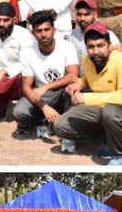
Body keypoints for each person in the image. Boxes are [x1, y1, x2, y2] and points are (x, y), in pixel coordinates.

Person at [54, 22, 122, 165]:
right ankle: (108, 142)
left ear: (110, 46)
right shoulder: (87, 60)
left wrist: (85, 97)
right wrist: (80, 82)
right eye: (91, 47)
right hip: (102, 108)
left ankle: (120, 156)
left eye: (100, 45)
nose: (96, 51)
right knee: (60, 125)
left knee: (109, 112)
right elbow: (92, 78)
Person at [13, 10, 79, 142]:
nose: (44, 34)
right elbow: (26, 88)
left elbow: (73, 75)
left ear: (54, 30)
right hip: (42, 96)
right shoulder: (27, 52)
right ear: (33, 33)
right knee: (19, 112)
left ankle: (63, 123)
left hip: (62, 92)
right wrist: (44, 107)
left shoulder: (67, 47)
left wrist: (46, 86)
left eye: (47, 29)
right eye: (39, 30)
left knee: (74, 91)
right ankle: (44, 119)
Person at [0, 2, 36, 117]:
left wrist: (3, 72)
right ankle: (3, 104)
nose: (1, 24)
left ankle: (26, 106)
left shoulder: (23, 35)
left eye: (6, 20)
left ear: (14, 20)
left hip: (17, 78)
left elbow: (27, 62)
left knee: (29, 78)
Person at [70, 0, 121, 72]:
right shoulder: (71, 35)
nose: (82, 18)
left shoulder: (107, 34)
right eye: (79, 14)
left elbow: (118, 54)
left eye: (86, 14)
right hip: (79, 79)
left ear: (95, 14)